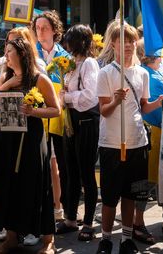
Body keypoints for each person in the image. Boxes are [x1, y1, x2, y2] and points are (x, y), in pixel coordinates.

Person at [95, 24, 163, 254]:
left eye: (131, 41)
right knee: (109, 197)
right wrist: (115, 101)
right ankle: (106, 239)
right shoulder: (106, 73)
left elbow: (143, 107)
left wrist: (158, 103)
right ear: (113, 44)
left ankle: (126, 238)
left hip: (138, 142)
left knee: (132, 194)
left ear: (136, 44)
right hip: (111, 144)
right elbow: (104, 110)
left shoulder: (143, 73)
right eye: (122, 41)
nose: (127, 45)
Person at [0, 37, 60, 254]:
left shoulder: (39, 79)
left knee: (36, 186)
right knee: (8, 186)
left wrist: (34, 111)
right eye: (6, 51)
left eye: (9, 51)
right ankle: (11, 236)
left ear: (22, 54)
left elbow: (56, 109)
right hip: (7, 139)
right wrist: (7, 84)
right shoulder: (5, 76)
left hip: (31, 141)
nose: (6, 55)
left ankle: (48, 241)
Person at [55, 25, 101, 242]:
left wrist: (67, 97)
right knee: (71, 170)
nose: (67, 45)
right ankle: (71, 218)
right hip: (71, 121)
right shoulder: (73, 64)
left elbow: (91, 96)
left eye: (70, 41)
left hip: (85, 121)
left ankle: (89, 221)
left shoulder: (90, 63)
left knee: (86, 173)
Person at [134, 41, 163, 244]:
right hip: (154, 132)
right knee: (147, 180)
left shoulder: (153, 72)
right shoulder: (148, 74)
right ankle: (138, 223)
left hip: (162, 132)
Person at [32, 10, 71, 233]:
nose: (40, 31)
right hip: (38, 116)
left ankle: (58, 209)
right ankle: (40, 208)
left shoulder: (64, 56)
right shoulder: (31, 53)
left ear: (54, 30)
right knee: (40, 166)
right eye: (37, 27)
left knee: (56, 165)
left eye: (45, 27)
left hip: (59, 118)